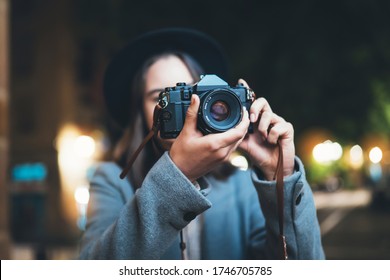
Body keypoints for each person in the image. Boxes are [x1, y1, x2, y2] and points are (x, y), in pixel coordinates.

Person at [79, 28, 325, 260]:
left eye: (191, 93)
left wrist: (279, 176)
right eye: (163, 97)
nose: (187, 109)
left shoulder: (242, 186)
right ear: (140, 113)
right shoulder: (111, 180)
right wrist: (178, 175)